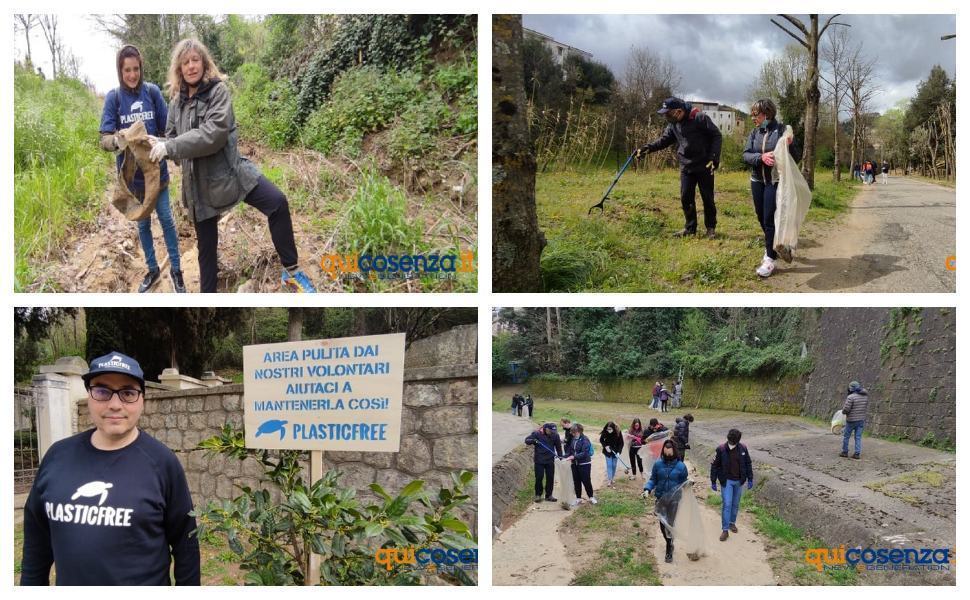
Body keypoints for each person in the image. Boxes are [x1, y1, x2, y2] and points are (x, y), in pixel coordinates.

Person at [148, 38, 316, 293]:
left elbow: (214, 133)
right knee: (207, 254)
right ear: (179, 69)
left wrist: (170, 146)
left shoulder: (218, 92)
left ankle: (291, 272)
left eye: (195, 60)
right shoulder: (176, 103)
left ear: (204, 63)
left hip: (230, 172)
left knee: (277, 203)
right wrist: (158, 144)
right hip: (198, 187)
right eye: (185, 63)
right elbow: (172, 140)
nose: (191, 66)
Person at [20, 352, 200, 585]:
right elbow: (36, 543)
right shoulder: (57, 456)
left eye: (127, 393)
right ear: (89, 396)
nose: (115, 404)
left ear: (142, 400)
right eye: (102, 391)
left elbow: (186, 546)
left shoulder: (163, 463)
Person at [99, 45, 185, 293]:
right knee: (143, 225)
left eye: (136, 69)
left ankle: (177, 271)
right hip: (132, 180)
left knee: (167, 220)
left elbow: (168, 129)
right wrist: (117, 140)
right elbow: (104, 138)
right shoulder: (114, 98)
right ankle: (152, 269)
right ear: (120, 70)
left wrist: (162, 143)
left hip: (156, 173)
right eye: (127, 70)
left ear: (141, 68)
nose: (132, 75)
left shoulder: (153, 92)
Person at [635, 97, 723, 239]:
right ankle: (690, 228)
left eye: (668, 114)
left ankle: (710, 228)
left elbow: (716, 135)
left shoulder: (699, 118)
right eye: (665, 114)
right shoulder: (673, 124)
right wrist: (647, 149)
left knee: (707, 198)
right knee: (685, 197)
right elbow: (664, 140)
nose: (666, 117)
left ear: (679, 111)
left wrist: (714, 157)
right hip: (686, 166)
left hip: (704, 165)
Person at [742, 98, 802, 278]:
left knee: (769, 218)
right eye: (752, 114)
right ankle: (776, 244)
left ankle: (770, 258)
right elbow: (746, 154)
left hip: (774, 182)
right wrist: (760, 158)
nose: (753, 118)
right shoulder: (754, 133)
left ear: (766, 113)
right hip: (756, 180)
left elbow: (796, 157)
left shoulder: (783, 131)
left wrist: (790, 147)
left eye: (755, 114)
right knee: (761, 216)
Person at [643, 439, 689, 563]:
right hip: (661, 498)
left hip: (674, 500)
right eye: (665, 453)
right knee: (663, 525)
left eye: (670, 453)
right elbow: (653, 479)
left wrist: (689, 484)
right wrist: (647, 489)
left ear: (674, 452)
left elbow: (684, 483)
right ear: (663, 451)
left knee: (670, 523)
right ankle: (669, 540)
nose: (668, 455)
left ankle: (669, 548)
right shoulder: (658, 464)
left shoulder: (681, 466)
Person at [710, 428, 754, 541]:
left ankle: (732, 523)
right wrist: (713, 480)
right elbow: (714, 465)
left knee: (735, 504)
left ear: (737, 441)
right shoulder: (721, 449)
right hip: (727, 481)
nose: (731, 443)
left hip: (739, 481)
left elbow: (748, 463)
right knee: (727, 504)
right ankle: (725, 530)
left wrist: (750, 478)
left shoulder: (743, 448)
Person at [525, 423, 563, 502]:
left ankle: (549, 495)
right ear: (546, 429)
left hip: (550, 460)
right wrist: (533, 441)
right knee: (539, 477)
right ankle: (538, 495)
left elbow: (558, 447)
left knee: (550, 478)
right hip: (539, 460)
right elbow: (527, 440)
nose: (553, 432)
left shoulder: (555, 435)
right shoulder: (537, 434)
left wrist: (560, 456)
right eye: (551, 431)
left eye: (554, 431)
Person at [564, 423, 596, 505]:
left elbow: (584, 453)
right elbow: (570, 450)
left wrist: (573, 457)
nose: (572, 434)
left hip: (584, 464)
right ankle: (578, 498)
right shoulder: (573, 439)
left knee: (586, 481)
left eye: (574, 432)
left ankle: (591, 497)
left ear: (579, 431)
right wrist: (564, 456)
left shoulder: (585, 439)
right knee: (576, 481)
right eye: (572, 432)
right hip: (574, 464)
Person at [840, 380, 869, 459]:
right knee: (858, 437)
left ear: (851, 388)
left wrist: (843, 412)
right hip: (861, 420)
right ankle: (857, 453)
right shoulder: (865, 396)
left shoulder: (851, 397)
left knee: (846, 436)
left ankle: (845, 452)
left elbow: (846, 409)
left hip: (851, 420)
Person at [599, 421, 625, 488]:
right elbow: (601, 440)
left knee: (614, 465)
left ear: (613, 428)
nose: (609, 431)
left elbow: (621, 443)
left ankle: (612, 478)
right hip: (607, 452)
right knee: (609, 465)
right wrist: (605, 446)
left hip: (615, 452)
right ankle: (609, 480)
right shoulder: (605, 432)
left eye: (610, 429)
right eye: (608, 429)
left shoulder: (618, 433)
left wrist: (619, 452)